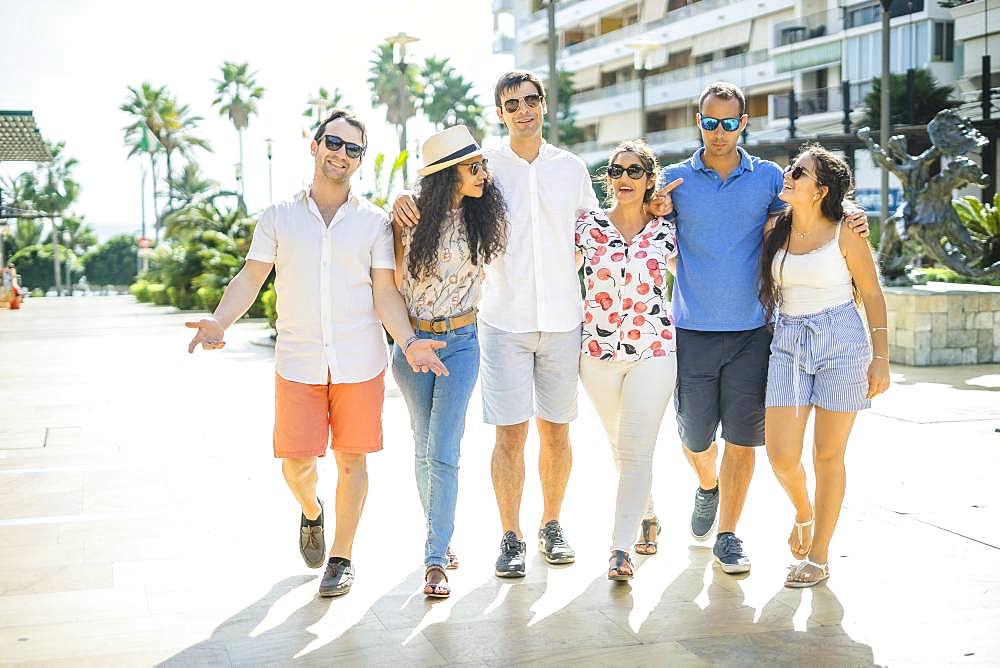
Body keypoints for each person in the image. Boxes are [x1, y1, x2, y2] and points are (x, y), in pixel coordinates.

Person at [185, 109, 447, 598]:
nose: (341, 154)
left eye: (353, 149)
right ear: (315, 145)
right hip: (299, 362)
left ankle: (342, 558)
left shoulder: (373, 223)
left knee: (352, 463)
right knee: (297, 465)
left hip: (360, 363)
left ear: (360, 160)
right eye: (334, 142)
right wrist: (220, 320)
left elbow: (385, 292)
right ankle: (311, 512)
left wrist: (408, 342)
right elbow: (250, 277)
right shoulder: (279, 218)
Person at [394, 71, 601, 578]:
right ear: (500, 112)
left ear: (544, 105)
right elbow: (442, 193)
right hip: (501, 321)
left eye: (532, 100)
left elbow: (596, 234)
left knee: (556, 432)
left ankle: (551, 525)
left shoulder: (571, 168)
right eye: (513, 103)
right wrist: (403, 197)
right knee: (509, 435)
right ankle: (510, 535)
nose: (524, 109)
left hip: (561, 320)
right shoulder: (485, 167)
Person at [655, 82, 868, 574]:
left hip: (755, 331)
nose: (719, 132)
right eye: (710, 122)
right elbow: (648, 225)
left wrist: (853, 212)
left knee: (743, 439)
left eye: (730, 123)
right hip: (692, 330)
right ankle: (707, 485)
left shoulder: (769, 177)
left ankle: (729, 533)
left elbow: (813, 207)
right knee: (695, 439)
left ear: (744, 124)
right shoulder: (676, 180)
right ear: (699, 121)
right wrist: (652, 206)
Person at [760, 144, 889, 588]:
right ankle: (803, 512)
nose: (788, 176)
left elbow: (872, 293)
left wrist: (881, 359)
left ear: (820, 190)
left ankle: (819, 555)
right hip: (790, 340)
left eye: (799, 172)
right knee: (781, 456)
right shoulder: (775, 226)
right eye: (791, 169)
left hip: (842, 343)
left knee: (828, 454)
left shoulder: (845, 231)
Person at [390, 125, 507, 598]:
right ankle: (441, 536)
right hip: (412, 345)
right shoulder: (408, 217)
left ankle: (435, 556)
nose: (483, 173)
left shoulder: (485, 215)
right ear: (446, 175)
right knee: (423, 446)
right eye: (473, 167)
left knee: (444, 446)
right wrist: (397, 223)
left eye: (482, 165)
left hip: (461, 341)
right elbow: (393, 280)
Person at [575, 141, 677, 581]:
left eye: (635, 171)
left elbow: (704, 271)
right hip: (596, 355)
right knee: (621, 447)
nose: (625, 179)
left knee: (636, 448)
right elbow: (554, 274)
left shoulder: (667, 232)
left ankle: (619, 549)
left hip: (653, 352)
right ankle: (649, 515)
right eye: (617, 171)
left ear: (649, 179)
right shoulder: (587, 228)